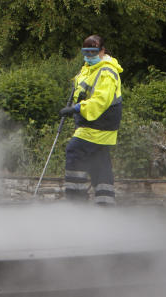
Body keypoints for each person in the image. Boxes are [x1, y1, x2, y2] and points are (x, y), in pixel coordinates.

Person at [58, 34, 123, 205]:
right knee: (99, 165)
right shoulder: (88, 68)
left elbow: (101, 101)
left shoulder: (107, 73)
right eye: (85, 52)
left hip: (98, 126)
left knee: (75, 151)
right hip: (96, 126)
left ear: (102, 51)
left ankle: (76, 202)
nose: (88, 56)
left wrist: (77, 108)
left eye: (92, 52)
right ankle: (105, 206)